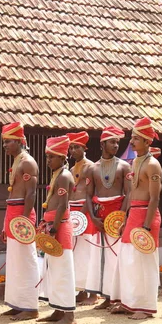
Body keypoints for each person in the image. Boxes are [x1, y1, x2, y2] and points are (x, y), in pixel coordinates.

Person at [111, 117, 162, 319]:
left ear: (148, 142)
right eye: (132, 138)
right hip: (133, 215)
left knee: (143, 262)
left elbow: (155, 198)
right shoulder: (135, 163)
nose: (131, 142)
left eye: (136, 139)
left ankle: (145, 307)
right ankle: (129, 302)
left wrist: (147, 225)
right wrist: (125, 218)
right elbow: (132, 194)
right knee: (127, 260)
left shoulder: (153, 165)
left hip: (146, 217)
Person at [84, 126, 130, 310]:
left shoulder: (125, 166)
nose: (116, 145)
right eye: (112, 142)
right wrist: (93, 217)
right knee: (100, 257)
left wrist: (122, 217)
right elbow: (88, 195)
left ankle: (119, 297)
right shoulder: (92, 168)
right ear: (103, 143)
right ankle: (106, 296)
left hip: (117, 217)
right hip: (99, 216)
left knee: (117, 256)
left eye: (118, 142)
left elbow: (129, 193)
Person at [0, 122, 40, 321]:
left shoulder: (28, 162)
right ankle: (17, 303)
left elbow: (31, 194)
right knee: (15, 262)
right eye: (4, 142)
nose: (5, 145)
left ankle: (31, 306)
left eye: (8, 142)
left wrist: (24, 221)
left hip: (22, 215)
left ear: (18, 141)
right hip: (13, 212)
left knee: (25, 261)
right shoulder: (17, 161)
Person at [37, 135, 77, 324]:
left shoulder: (63, 176)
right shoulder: (58, 174)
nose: (48, 161)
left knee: (62, 271)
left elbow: (62, 205)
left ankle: (69, 316)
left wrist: (53, 228)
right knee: (53, 270)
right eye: (47, 157)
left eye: (52, 157)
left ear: (62, 157)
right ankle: (58, 310)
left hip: (59, 227)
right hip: (53, 225)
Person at [66, 131, 98, 306]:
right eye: (71, 147)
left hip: (85, 212)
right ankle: (81, 290)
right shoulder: (71, 169)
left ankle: (92, 293)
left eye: (76, 147)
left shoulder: (91, 167)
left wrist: (82, 214)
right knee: (76, 252)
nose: (72, 150)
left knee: (87, 252)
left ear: (84, 148)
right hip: (74, 211)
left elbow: (90, 194)